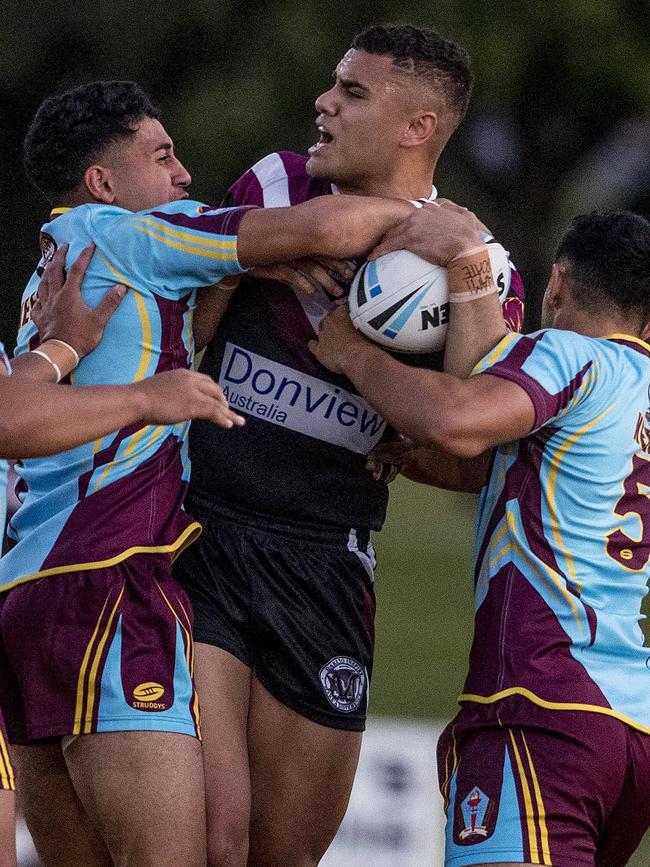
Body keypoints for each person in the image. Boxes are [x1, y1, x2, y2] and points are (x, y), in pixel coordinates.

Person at [1, 79, 413, 867]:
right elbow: (323, 223)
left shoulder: (51, 273)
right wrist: (436, 221)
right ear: (103, 181)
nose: (185, 176)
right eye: (162, 156)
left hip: (26, 594)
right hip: (109, 578)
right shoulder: (131, 234)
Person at [173, 22, 524, 867]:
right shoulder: (273, 184)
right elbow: (181, 335)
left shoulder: (477, 267)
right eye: (333, 85)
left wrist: (393, 410)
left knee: (281, 853)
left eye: (354, 93)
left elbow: (473, 458)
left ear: (418, 128)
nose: (325, 103)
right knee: (211, 841)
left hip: (327, 564)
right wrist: (241, 259)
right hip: (201, 538)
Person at [310, 201, 650, 867]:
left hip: (541, 702)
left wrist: (356, 356)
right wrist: (402, 445)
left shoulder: (571, 357)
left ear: (555, 284)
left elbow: (463, 422)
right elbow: (494, 464)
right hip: (630, 723)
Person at [0, 245, 247, 867]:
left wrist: (62, 348)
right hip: (92, 587)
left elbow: (12, 412)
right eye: (162, 155)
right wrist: (144, 399)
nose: (182, 175)